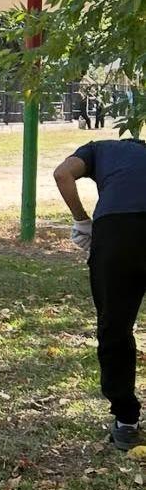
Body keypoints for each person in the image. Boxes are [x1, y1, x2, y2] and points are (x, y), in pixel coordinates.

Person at [54, 136, 146, 451]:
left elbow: (62, 174)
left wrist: (82, 221)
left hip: (116, 231)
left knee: (114, 327)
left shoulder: (97, 149)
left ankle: (126, 421)